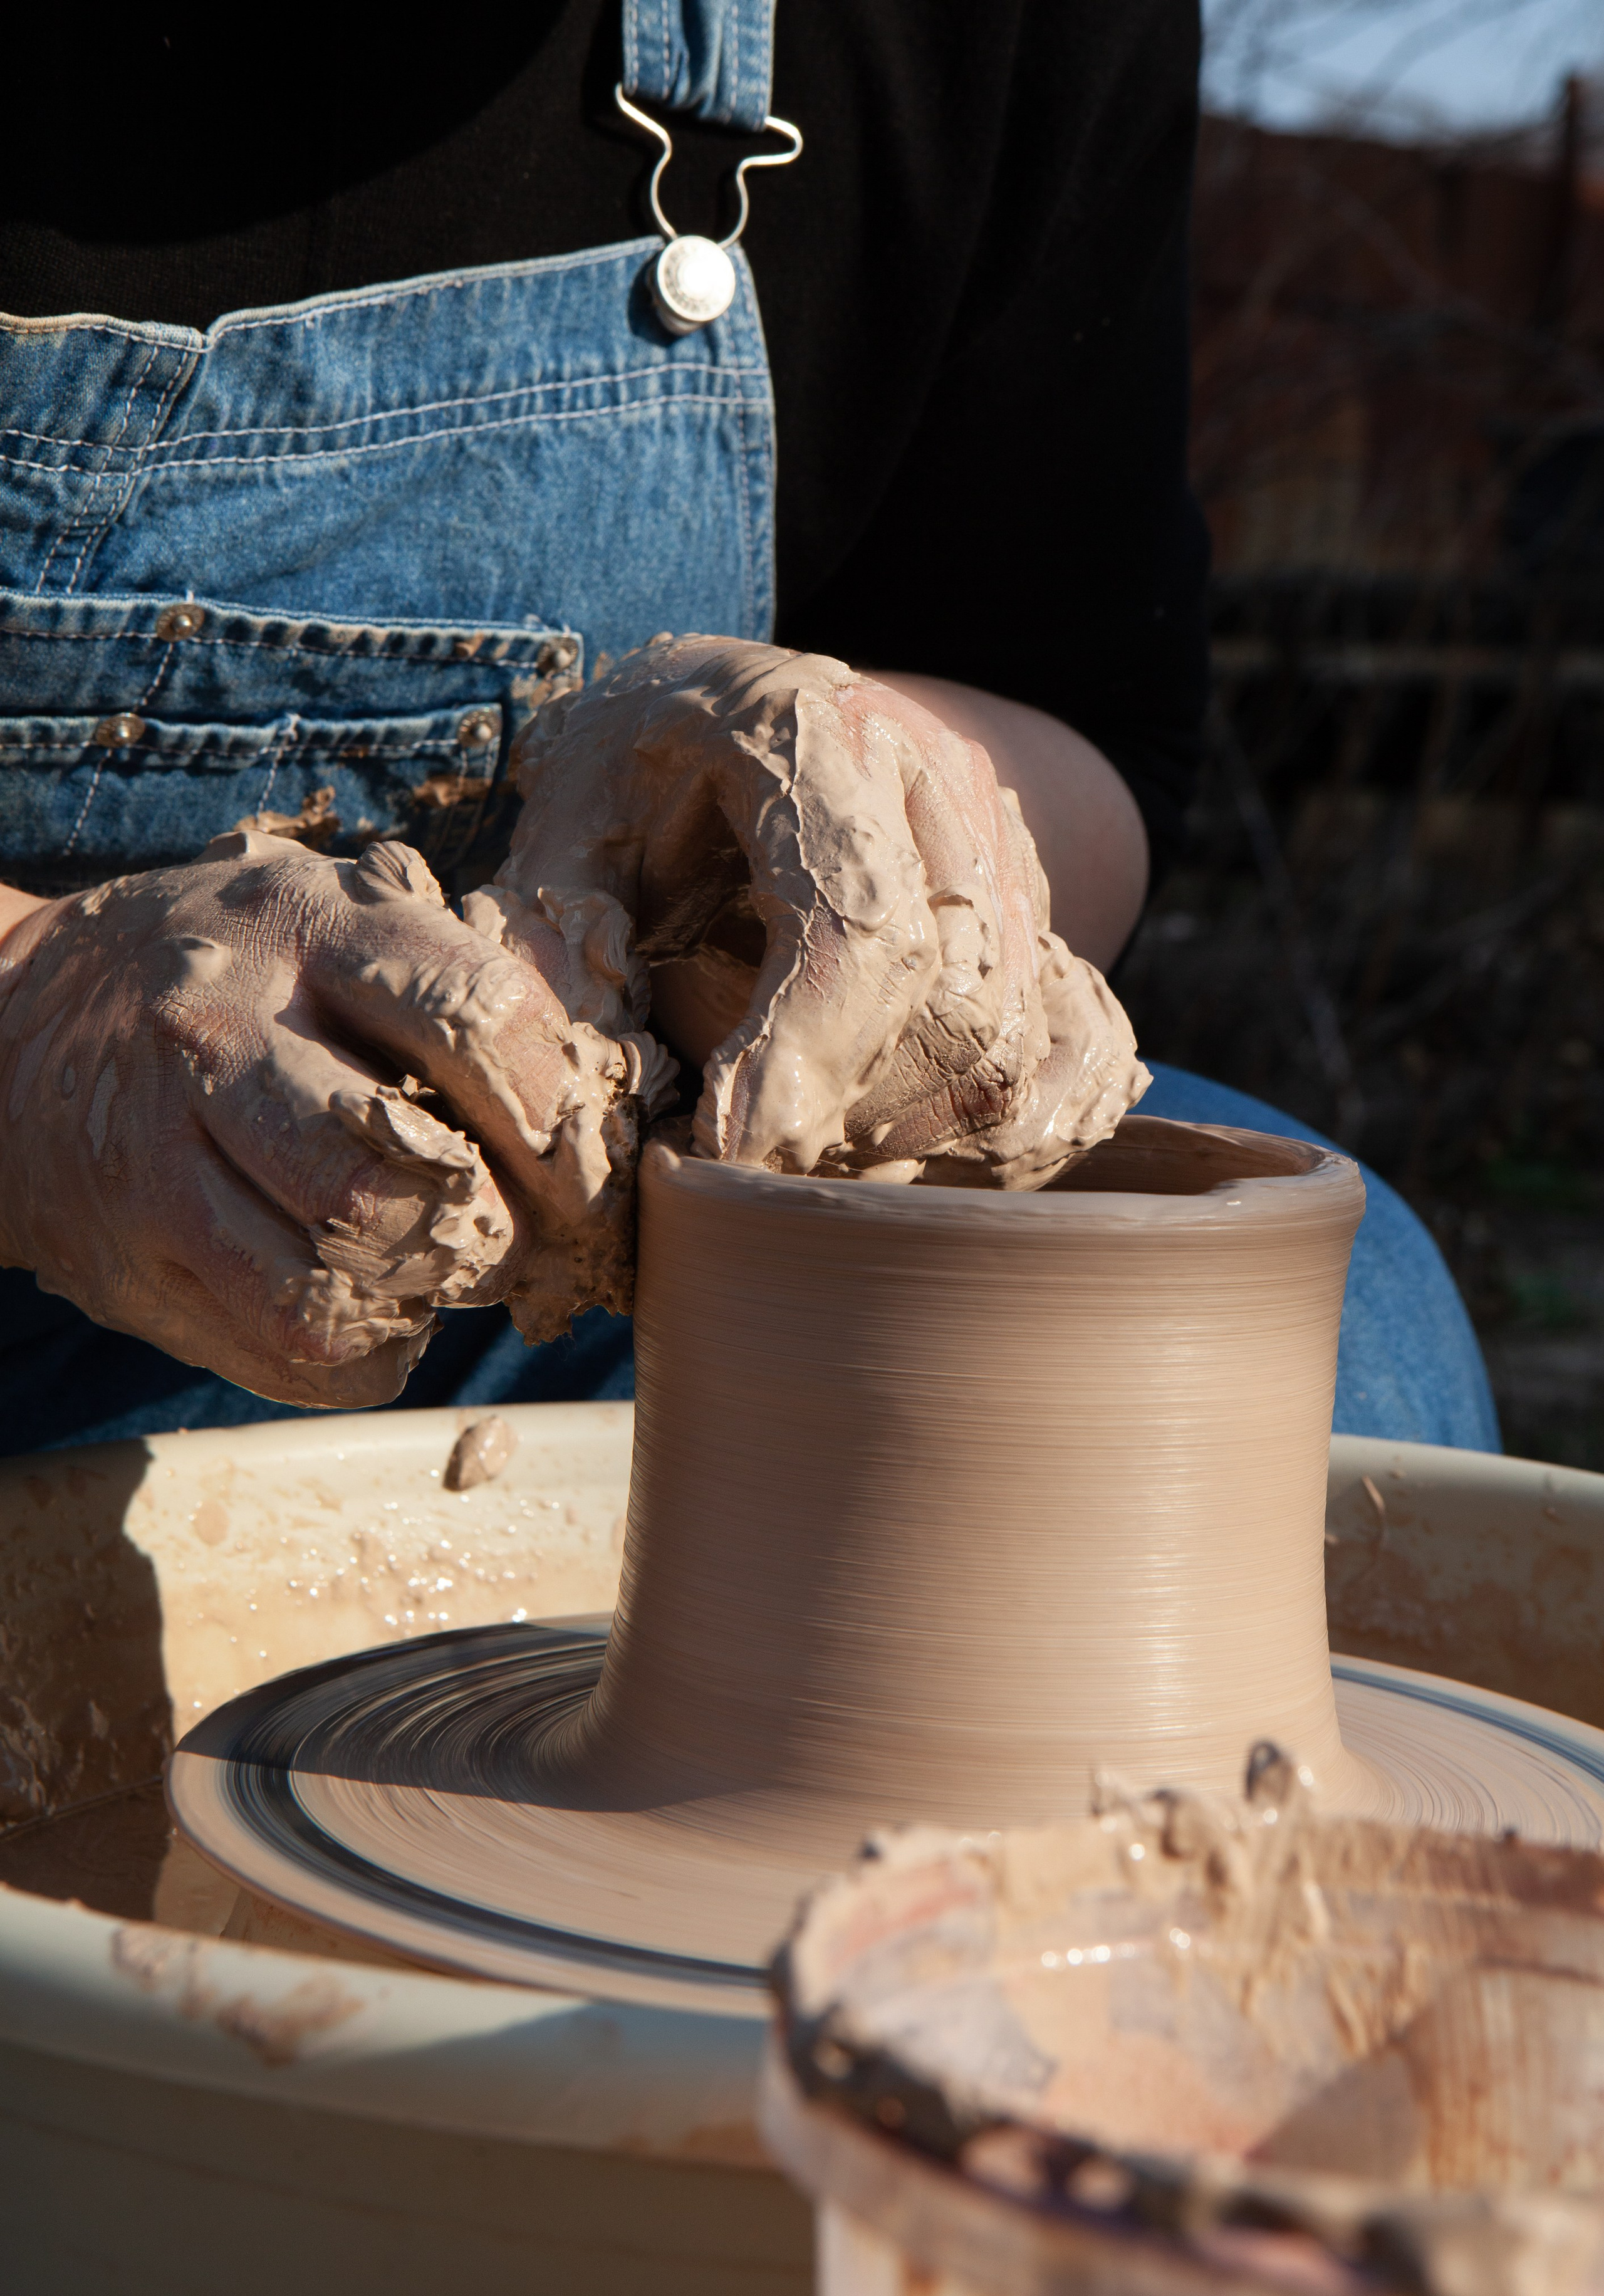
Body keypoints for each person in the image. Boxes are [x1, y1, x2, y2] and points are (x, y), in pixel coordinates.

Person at [0, 3, 1496, 1456]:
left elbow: (1086, 712)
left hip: (540, 1225)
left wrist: (849, 836)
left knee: (1324, 1331)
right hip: (48, 1219)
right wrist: (36, 1013)